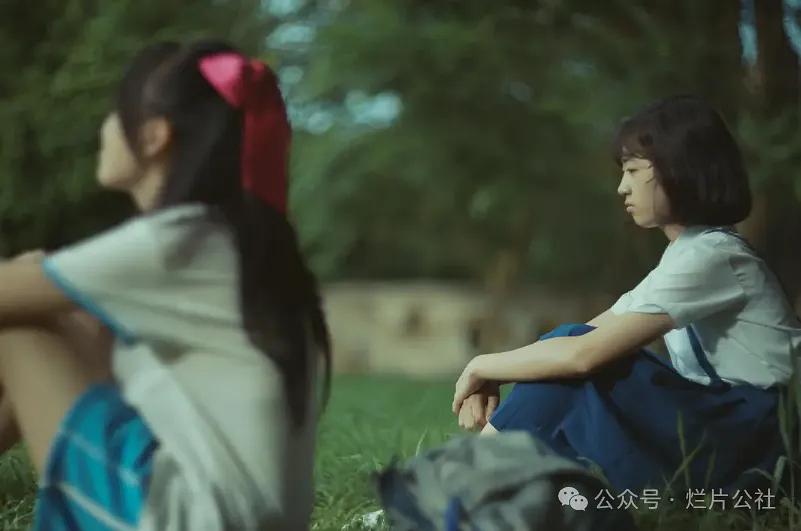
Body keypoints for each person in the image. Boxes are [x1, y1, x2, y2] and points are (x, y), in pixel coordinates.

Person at [0, 39, 330, 530]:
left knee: (19, 324)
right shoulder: (236, 241)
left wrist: (27, 269)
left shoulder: (177, 243)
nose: (105, 128)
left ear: (154, 137)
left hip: (181, 518)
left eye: (115, 113)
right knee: (77, 317)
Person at [452, 94, 801, 494]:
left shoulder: (713, 256)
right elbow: (581, 339)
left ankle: (460, 492)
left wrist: (481, 366)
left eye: (633, 170)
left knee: (575, 360)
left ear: (680, 168)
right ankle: (477, 491)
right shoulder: (688, 255)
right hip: (732, 429)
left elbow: (581, 354)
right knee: (564, 357)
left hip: (759, 441)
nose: (622, 187)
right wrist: (498, 371)